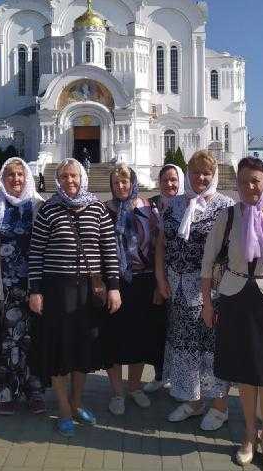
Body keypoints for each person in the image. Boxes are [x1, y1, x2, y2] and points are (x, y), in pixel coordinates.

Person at [202, 157, 263, 470]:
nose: (249, 187)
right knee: (246, 374)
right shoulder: (228, 216)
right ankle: (248, 432)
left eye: (255, 181)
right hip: (235, 298)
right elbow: (207, 263)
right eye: (244, 181)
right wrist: (207, 302)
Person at [28, 158, 121, 437]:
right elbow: (36, 252)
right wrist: (35, 290)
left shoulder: (98, 209)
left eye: (74, 176)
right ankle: (64, 408)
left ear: (83, 178)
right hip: (57, 290)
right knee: (59, 350)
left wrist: (114, 287)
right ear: (58, 180)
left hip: (88, 293)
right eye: (65, 176)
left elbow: (109, 250)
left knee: (83, 348)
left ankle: (78, 401)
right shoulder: (48, 210)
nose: (70, 181)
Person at [156, 150, 234, 431]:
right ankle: (193, 399)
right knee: (186, 346)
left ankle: (219, 407)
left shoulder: (225, 206)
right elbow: (162, 244)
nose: (200, 177)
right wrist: (161, 278)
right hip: (178, 288)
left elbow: (229, 254)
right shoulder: (176, 204)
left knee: (211, 347)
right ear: (187, 174)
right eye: (196, 172)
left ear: (214, 177)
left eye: (206, 173)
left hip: (209, 293)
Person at [0, 157, 46, 415]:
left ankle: (34, 391)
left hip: (34, 285)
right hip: (4, 285)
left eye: (20, 174)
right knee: (8, 339)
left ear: (27, 176)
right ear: (3, 179)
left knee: (33, 338)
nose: (16, 179)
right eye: (10, 175)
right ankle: (6, 390)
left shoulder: (38, 206)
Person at [103, 164, 160, 415]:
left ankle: (135, 387)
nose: (121, 187)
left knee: (139, 337)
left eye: (125, 182)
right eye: (116, 183)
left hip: (143, 280)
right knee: (114, 337)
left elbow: (159, 245)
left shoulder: (149, 207)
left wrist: (160, 283)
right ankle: (117, 392)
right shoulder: (105, 209)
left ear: (133, 182)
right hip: (115, 283)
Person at [144, 163, 185, 394]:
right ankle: (160, 373)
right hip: (155, 274)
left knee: (179, 328)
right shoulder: (151, 205)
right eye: (165, 180)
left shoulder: (190, 204)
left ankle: (179, 377)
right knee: (159, 327)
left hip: (182, 276)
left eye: (174, 180)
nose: (169, 184)